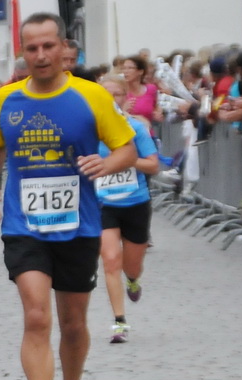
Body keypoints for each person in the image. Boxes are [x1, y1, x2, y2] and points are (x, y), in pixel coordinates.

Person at [0, 12, 135, 380]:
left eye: (48, 46)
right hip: (23, 225)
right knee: (35, 316)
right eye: (32, 48)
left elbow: (126, 147)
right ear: (23, 53)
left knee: (71, 323)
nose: (41, 55)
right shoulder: (6, 100)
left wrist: (107, 163)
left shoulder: (90, 97)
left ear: (63, 49)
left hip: (78, 225)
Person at [93, 77, 160, 344]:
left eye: (117, 94)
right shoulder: (90, 131)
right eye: (106, 94)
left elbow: (153, 166)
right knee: (110, 261)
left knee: (132, 266)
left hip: (135, 203)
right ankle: (119, 322)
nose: (112, 98)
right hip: (103, 203)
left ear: (125, 97)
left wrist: (125, 160)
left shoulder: (135, 128)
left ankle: (132, 280)